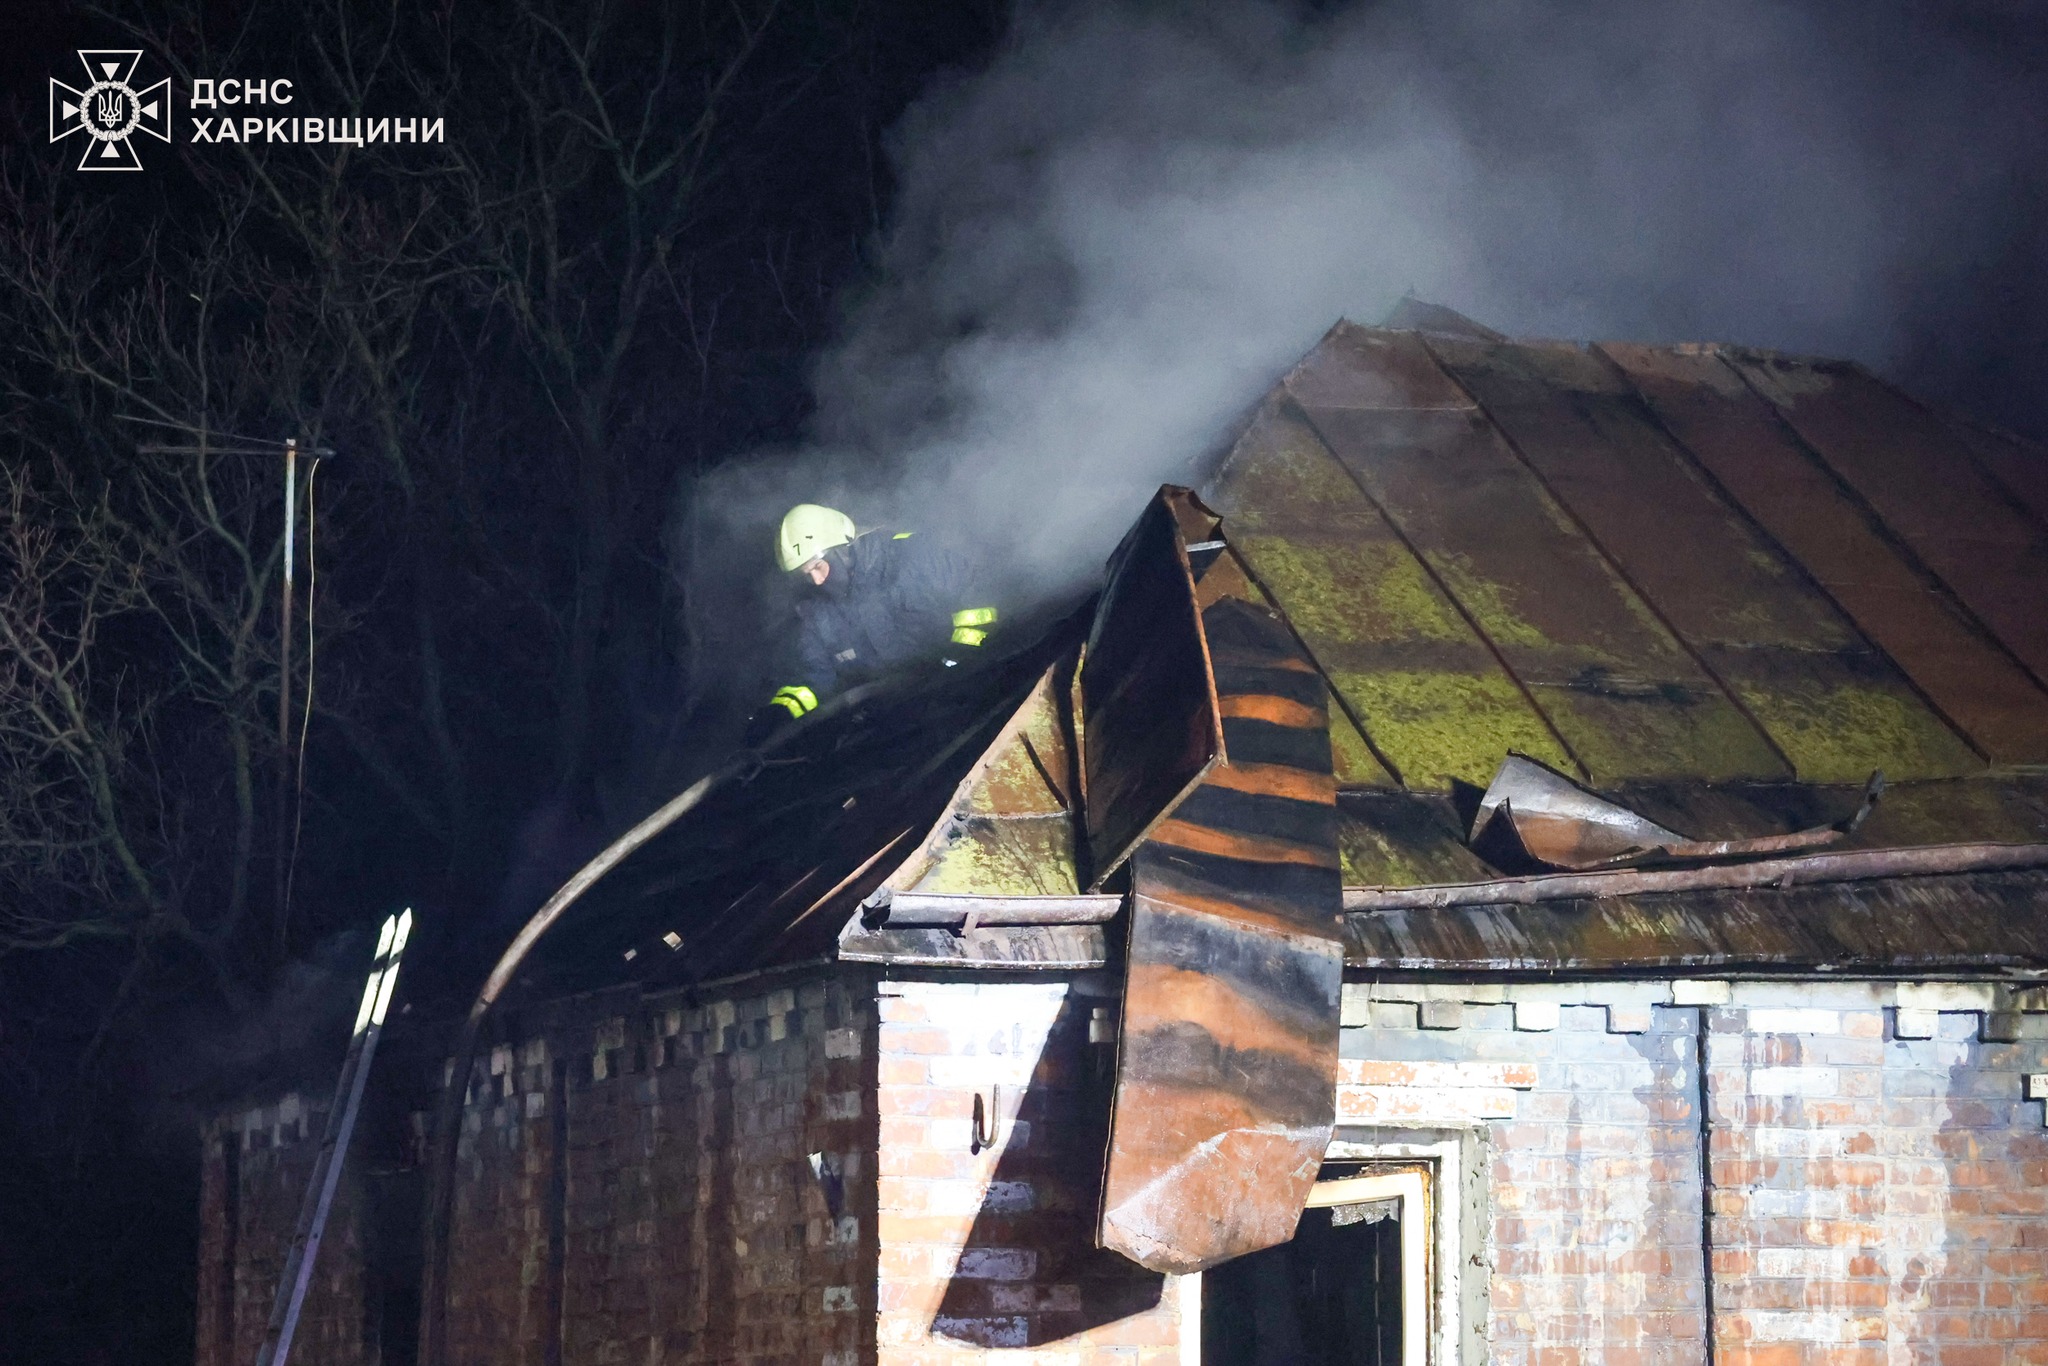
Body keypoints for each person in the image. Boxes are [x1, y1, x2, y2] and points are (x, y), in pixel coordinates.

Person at [744, 504, 999, 744]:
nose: (817, 581)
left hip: (972, 695)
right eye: (807, 575)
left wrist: (962, 659)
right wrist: (780, 713)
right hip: (900, 724)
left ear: (842, 549)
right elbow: (813, 680)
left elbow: (981, 598)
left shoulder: (907, 555)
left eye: (819, 566)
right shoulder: (814, 613)